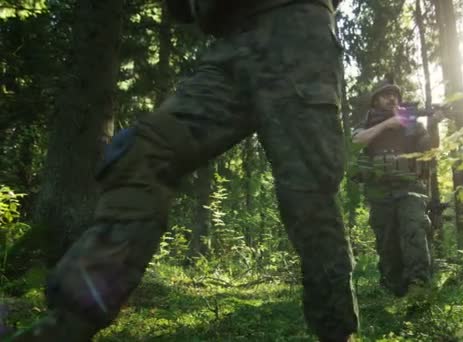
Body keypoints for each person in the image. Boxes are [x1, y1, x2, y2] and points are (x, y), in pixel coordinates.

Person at [10, 0, 358, 341]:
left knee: (309, 194)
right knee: (141, 152)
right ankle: (67, 324)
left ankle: (337, 332)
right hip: (228, 46)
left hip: (296, 31)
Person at [352, 78, 439, 297]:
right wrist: (387, 125)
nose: (392, 98)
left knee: (414, 231)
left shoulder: (411, 124)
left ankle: (419, 286)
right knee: (387, 241)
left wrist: (434, 123)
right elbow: (356, 141)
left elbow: (428, 150)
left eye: (395, 95)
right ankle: (393, 289)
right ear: (375, 101)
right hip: (379, 190)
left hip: (409, 187)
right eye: (385, 95)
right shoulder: (368, 123)